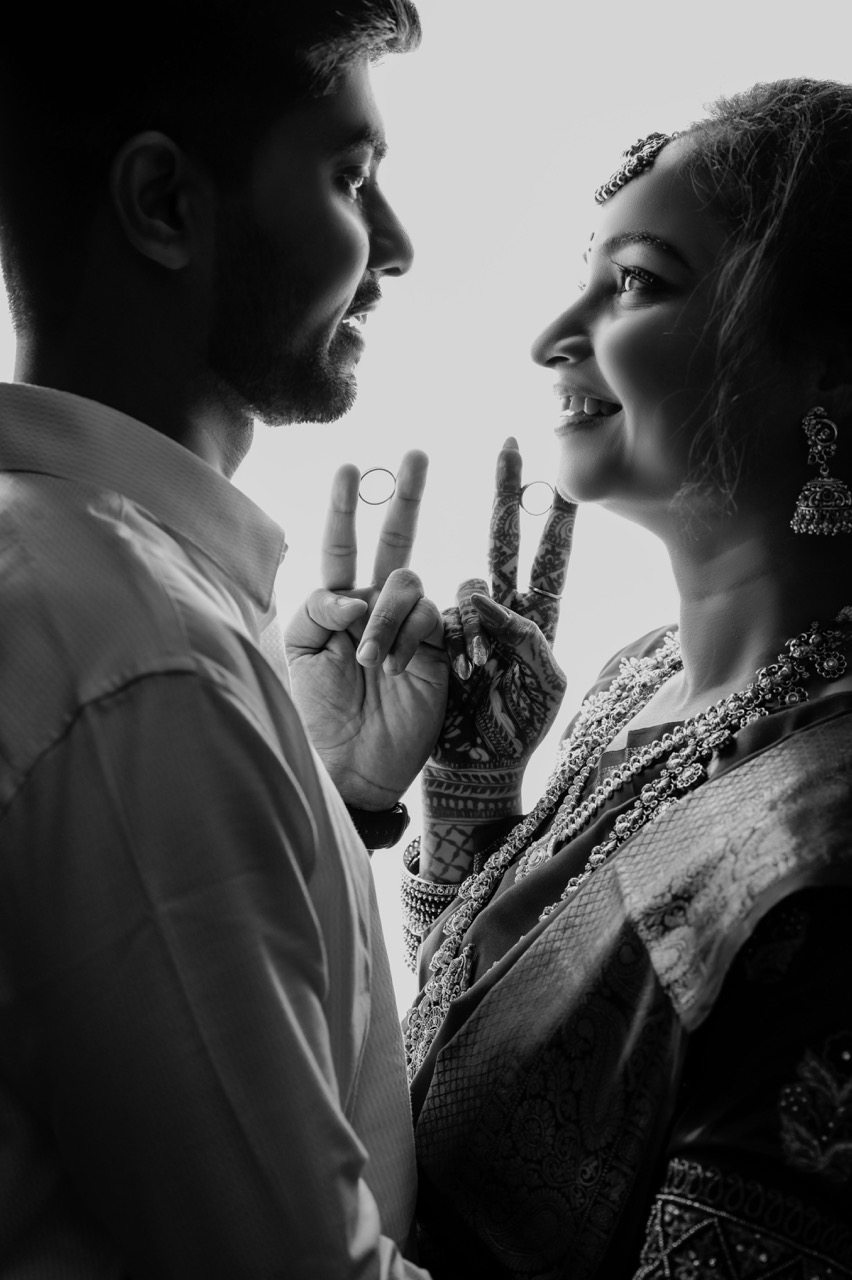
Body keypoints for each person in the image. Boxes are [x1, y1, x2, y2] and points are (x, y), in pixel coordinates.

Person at [289, 78, 852, 1278]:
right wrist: (454, 787)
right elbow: (490, 1073)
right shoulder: (642, 677)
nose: (555, 333)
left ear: (833, 364)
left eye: (637, 280)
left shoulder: (827, 842)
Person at [0, 2, 445, 1275]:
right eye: (351, 176)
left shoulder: (81, 578)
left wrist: (332, 792)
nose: (397, 244)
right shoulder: (140, 658)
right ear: (165, 204)